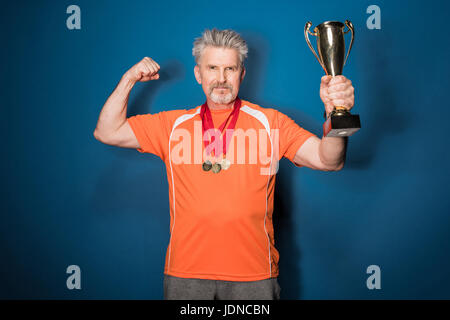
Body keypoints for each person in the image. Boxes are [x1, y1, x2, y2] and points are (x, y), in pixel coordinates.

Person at [93, 28, 354, 300]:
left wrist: (337, 113)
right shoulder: (172, 126)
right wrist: (128, 80)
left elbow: (329, 160)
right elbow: (107, 131)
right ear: (198, 74)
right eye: (212, 68)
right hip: (186, 275)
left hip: (254, 277)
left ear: (242, 74)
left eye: (230, 68)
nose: (221, 78)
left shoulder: (270, 123)